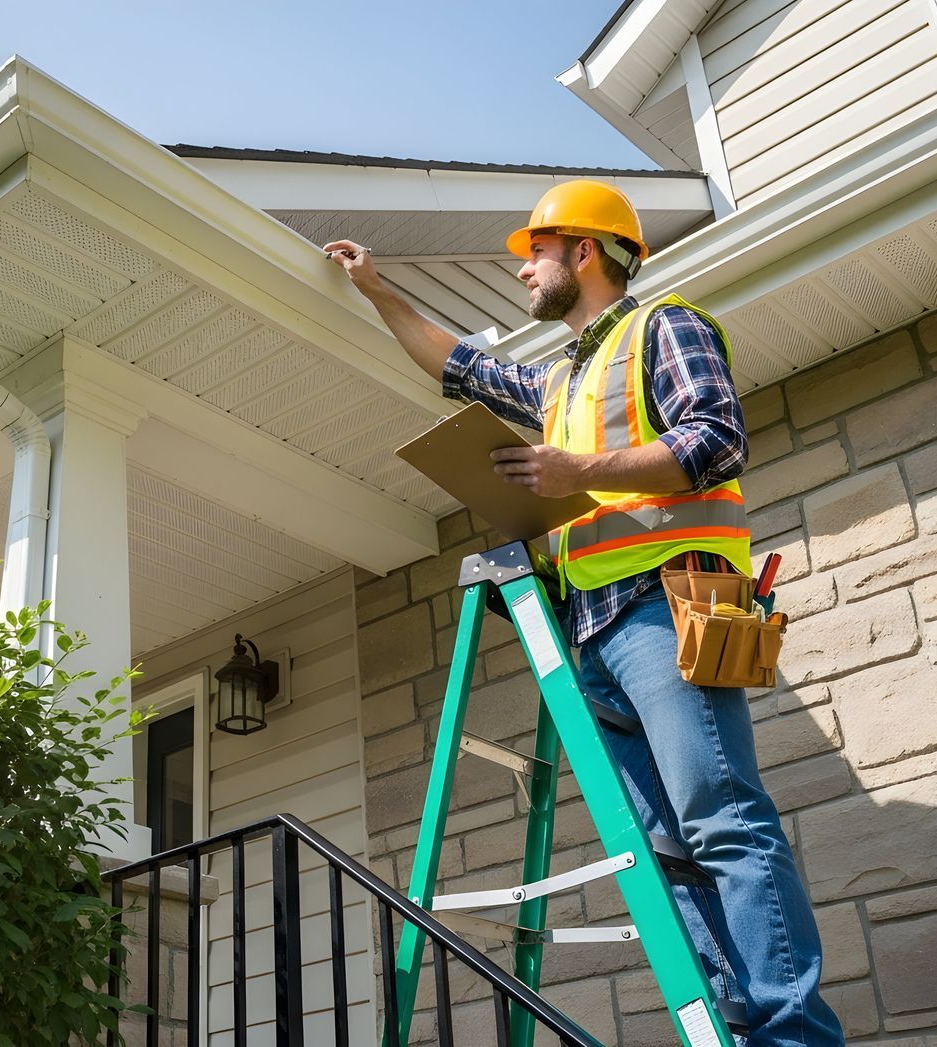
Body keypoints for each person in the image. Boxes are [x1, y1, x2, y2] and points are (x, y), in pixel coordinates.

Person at [326, 180, 842, 1047]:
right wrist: (379, 289)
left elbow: (715, 438)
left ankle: (793, 1035)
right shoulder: (559, 380)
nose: (525, 268)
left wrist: (575, 471)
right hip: (592, 635)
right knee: (666, 852)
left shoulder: (663, 326)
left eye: (537, 251)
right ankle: (737, 1024)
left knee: (721, 819)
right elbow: (463, 367)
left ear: (586, 252)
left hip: (663, 606)